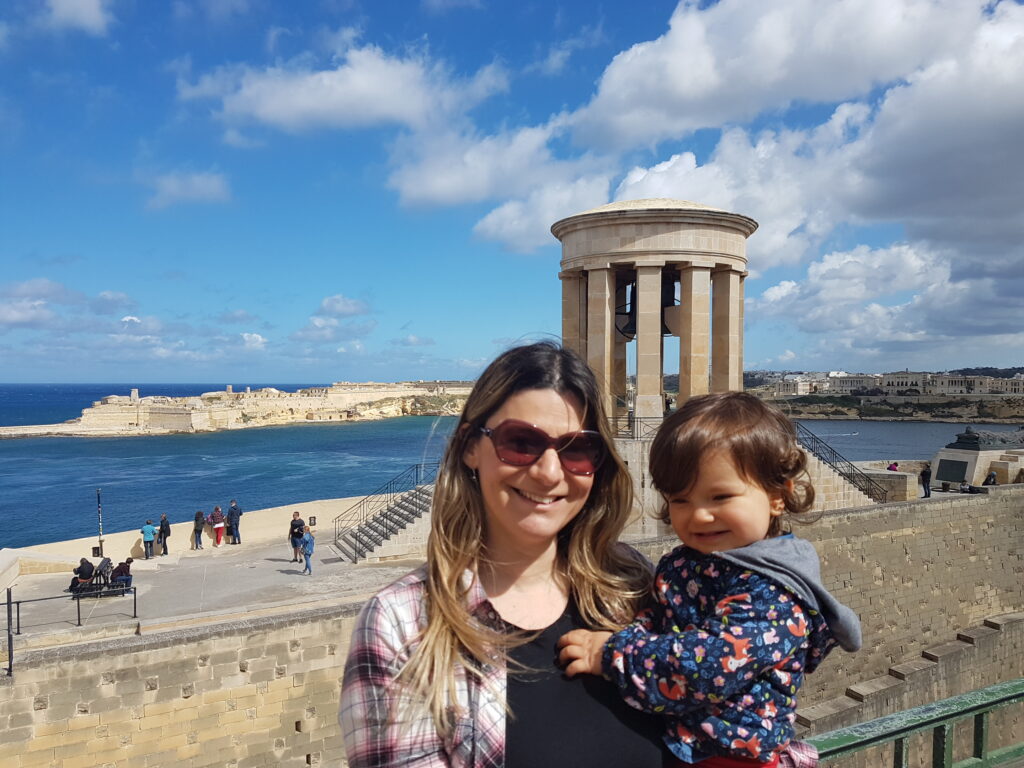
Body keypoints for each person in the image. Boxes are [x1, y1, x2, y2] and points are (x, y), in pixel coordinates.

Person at [339, 342, 661, 768]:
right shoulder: (402, 624)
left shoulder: (634, 587)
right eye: (521, 442)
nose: (549, 473)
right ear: (471, 445)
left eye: (577, 448)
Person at [558, 392, 861, 767]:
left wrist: (611, 655)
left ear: (777, 497)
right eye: (681, 500)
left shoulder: (774, 592)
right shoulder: (690, 563)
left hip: (732, 757)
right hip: (686, 745)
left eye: (720, 497)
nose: (699, 516)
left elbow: (708, 668)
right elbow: (660, 619)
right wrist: (636, 631)